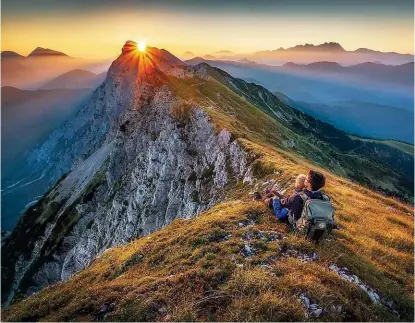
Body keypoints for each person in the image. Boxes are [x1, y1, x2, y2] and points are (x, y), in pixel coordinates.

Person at [255, 170, 326, 222]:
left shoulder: (299, 196)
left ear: (309, 184)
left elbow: (284, 202)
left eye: (306, 179)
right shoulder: (324, 197)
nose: (305, 180)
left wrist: (275, 197)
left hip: (295, 221)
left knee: (275, 200)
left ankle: (262, 200)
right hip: (313, 222)